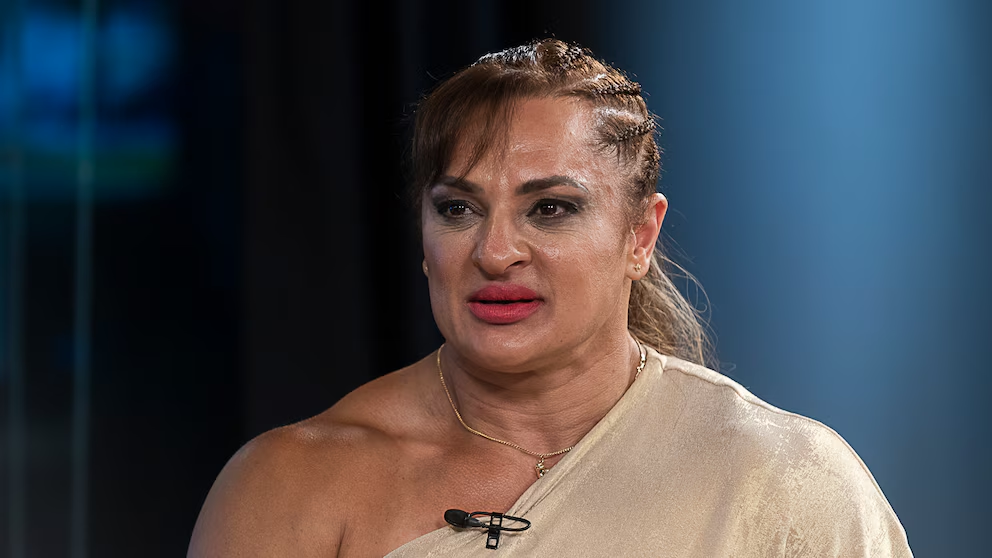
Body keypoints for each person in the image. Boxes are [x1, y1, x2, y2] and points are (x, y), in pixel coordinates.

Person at [188, 39, 912, 557]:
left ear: (639, 236)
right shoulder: (288, 485)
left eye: (551, 209)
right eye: (458, 209)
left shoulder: (786, 479)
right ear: (423, 236)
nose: (495, 251)